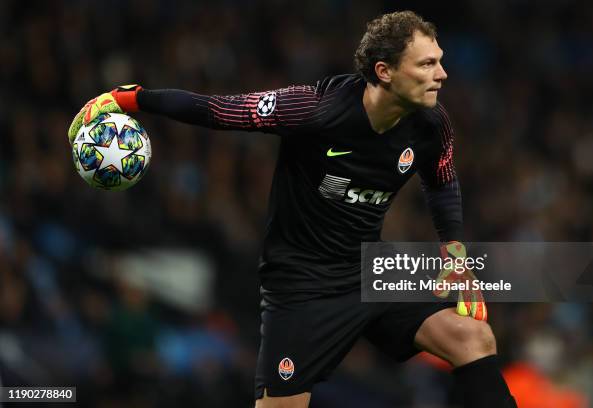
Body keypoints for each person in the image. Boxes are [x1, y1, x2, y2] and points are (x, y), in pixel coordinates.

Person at [68, 10, 516, 408]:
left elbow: (442, 183)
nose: (442, 74)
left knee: (472, 337)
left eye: (439, 60)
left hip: (366, 269)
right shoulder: (315, 109)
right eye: (427, 63)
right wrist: (131, 98)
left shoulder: (432, 124)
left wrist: (454, 254)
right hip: (302, 286)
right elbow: (219, 110)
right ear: (385, 71)